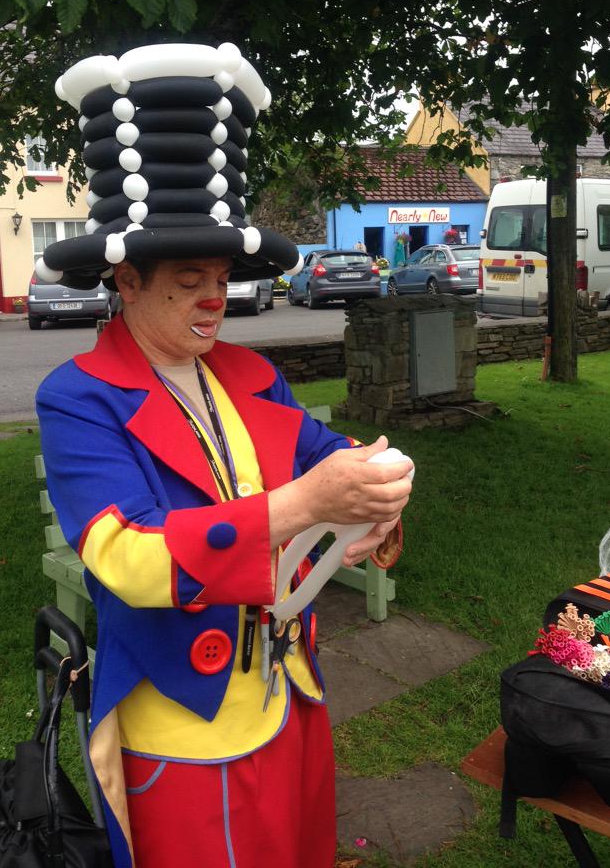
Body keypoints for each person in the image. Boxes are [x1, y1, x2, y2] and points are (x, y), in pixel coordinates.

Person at [35, 43, 413, 868]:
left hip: (290, 691)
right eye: (189, 277)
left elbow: (327, 452)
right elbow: (125, 559)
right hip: (182, 712)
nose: (217, 296)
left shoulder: (249, 372)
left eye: (222, 274)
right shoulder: (77, 395)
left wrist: (380, 481)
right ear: (125, 281)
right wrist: (308, 504)